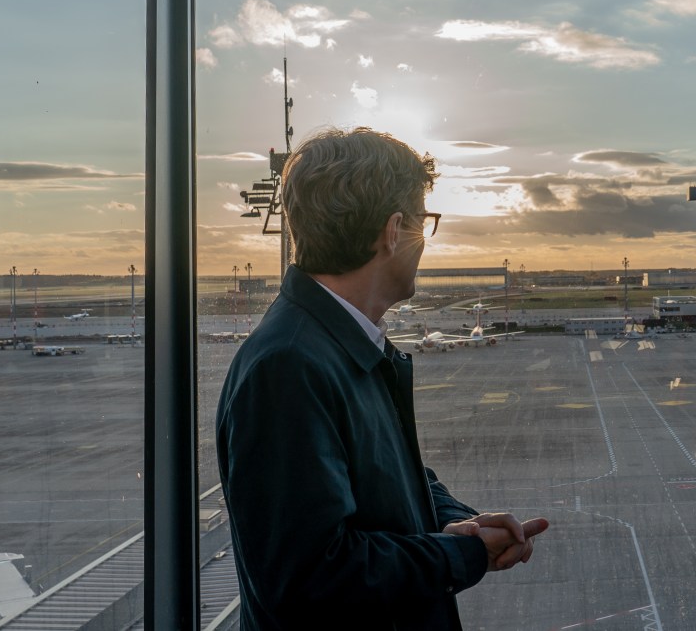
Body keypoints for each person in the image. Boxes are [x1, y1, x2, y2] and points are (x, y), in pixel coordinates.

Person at [216, 127, 549, 630]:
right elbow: (309, 579)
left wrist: (457, 522)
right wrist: (461, 557)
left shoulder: (338, 347)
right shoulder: (288, 367)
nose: (424, 241)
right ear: (394, 231)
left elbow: (384, 482)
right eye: (424, 223)